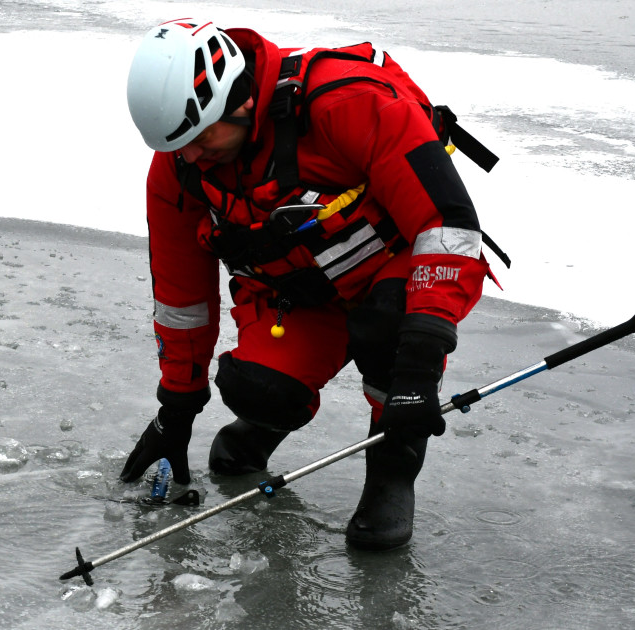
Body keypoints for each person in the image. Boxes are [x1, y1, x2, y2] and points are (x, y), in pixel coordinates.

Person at [119, 18, 496, 551]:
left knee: (387, 331)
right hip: (303, 293)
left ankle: (392, 469)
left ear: (241, 100)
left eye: (201, 140)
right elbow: (182, 300)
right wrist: (175, 412)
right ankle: (262, 425)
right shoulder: (182, 169)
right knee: (258, 389)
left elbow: (449, 227)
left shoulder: (349, 103)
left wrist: (421, 360)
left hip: (396, 271)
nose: (191, 158)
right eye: (177, 147)